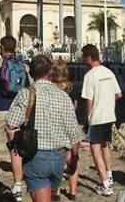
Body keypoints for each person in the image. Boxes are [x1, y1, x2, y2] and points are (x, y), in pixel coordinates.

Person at [6, 55, 81, 202]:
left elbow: (11, 123)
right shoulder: (64, 96)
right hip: (58, 157)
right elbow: (74, 132)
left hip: (36, 155)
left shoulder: (27, 93)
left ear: (32, 74)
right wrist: (74, 157)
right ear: (50, 73)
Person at [0, 35, 30, 201]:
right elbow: (29, 86)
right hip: (16, 111)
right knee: (15, 147)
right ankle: (17, 186)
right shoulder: (23, 66)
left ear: (2, 47)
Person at [81, 44, 122, 196]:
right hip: (109, 115)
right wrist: (107, 101)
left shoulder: (90, 75)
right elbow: (119, 94)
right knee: (105, 145)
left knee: (95, 148)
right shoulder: (109, 72)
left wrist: (88, 117)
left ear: (89, 57)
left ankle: (105, 183)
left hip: (97, 116)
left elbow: (89, 100)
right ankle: (109, 175)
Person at [51, 59, 79, 201]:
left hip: (57, 128)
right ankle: (73, 191)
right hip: (69, 125)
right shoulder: (70, 88)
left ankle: (56, 192)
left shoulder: (51, 89)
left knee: (58, 162)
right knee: (72, 160)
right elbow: (75, 106)